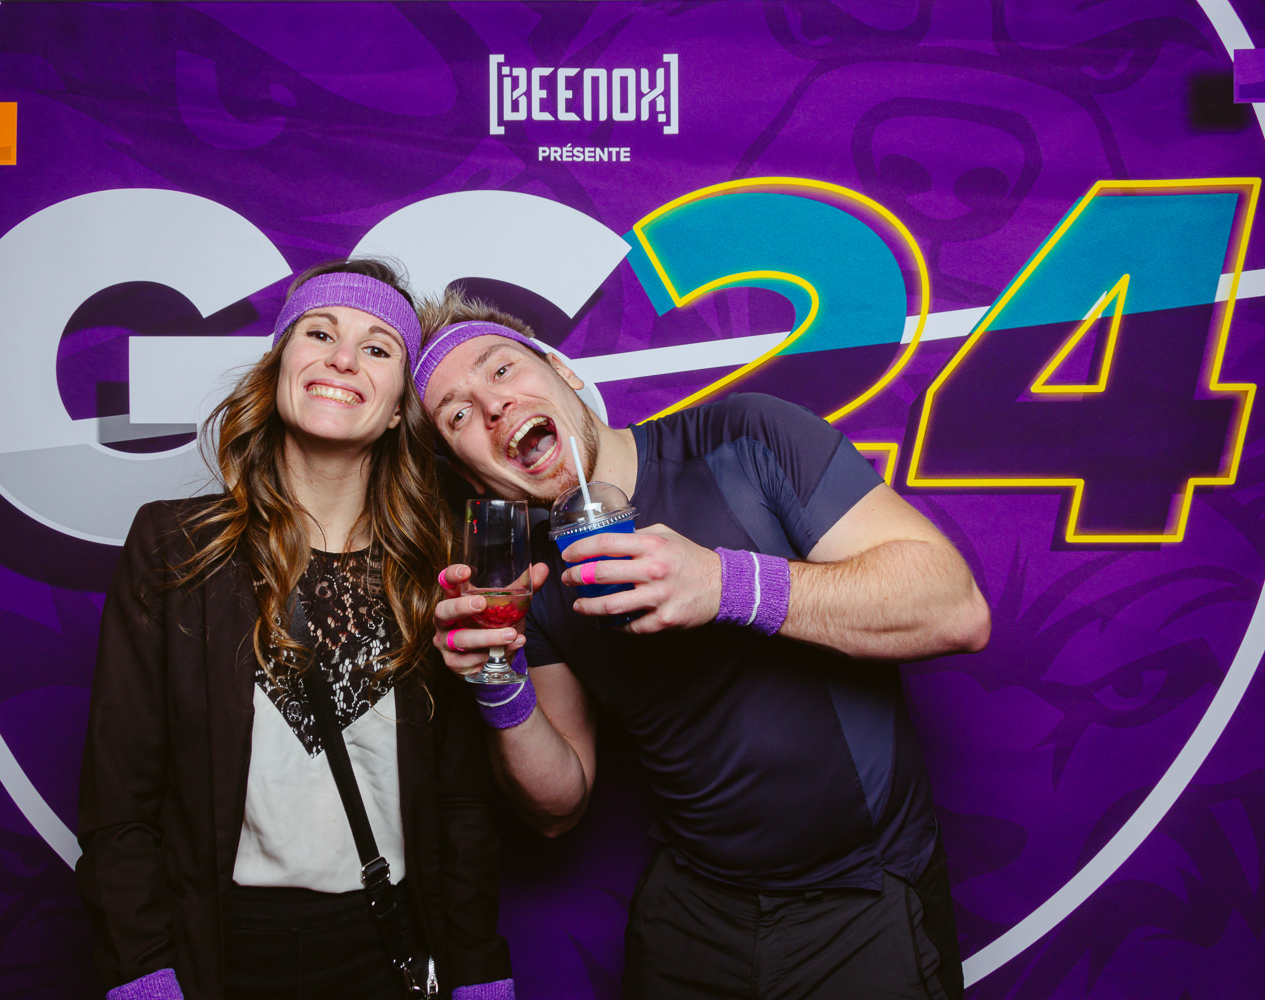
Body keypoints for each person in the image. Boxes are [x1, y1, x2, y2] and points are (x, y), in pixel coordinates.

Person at [413, 293, 991, 1000]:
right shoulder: (528, 578)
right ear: (471, 475)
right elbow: (557, 808)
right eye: (458, 416)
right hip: (692, 913)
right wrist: (498, 679)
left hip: (861, 899)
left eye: (501, 370)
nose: (492, 406)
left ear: (563, 372)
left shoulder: (744, 438)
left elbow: (954, 608)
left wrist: (724, 584)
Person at [76, 261, 514, 999]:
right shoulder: (175, 547)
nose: (343, 358)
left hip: (391, 952)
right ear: (279, 366)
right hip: (223, 954)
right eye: (319, 333)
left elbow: (462, 808)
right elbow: (119, 806)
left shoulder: (438, 569)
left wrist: (477, 978)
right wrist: (144, 975)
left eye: (377, 347)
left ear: (398, 409)